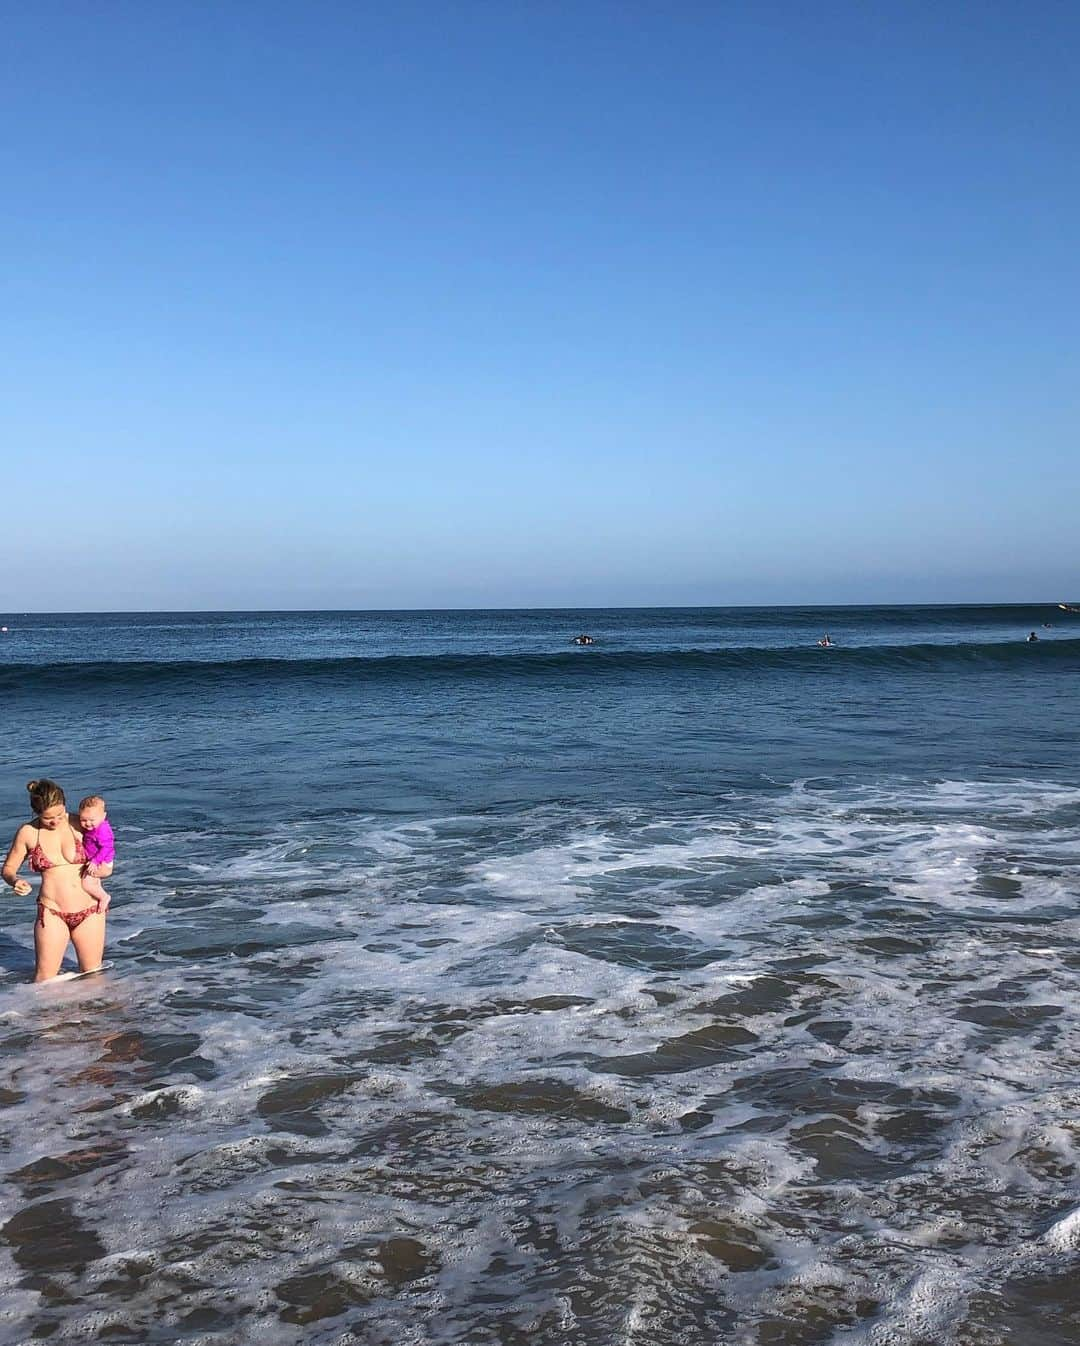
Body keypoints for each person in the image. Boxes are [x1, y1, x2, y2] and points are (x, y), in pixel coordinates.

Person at [2, 779, 108, 982]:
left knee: (93, 976)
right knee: (44, 980)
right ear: (36, 812)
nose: (56, 821)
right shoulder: (28, 833)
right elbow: (8, 869)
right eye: (48, 818)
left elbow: (107, 847)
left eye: (60, 815)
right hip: (52, 912)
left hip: (90, 910)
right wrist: (14, 880)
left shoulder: (81, 824)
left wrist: (106, 869)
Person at [77, 794, 115, 914]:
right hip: (97, 859)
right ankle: (101, 904)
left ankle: (104, 897)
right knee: (94, 883)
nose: (88, 823)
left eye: (91, 820)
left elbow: (107, 847)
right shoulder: (93, 827)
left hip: (103, 861)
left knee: (87, 884)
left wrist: (95, 861)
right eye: (83, 820)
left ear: (103, 816)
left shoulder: (102, 830)